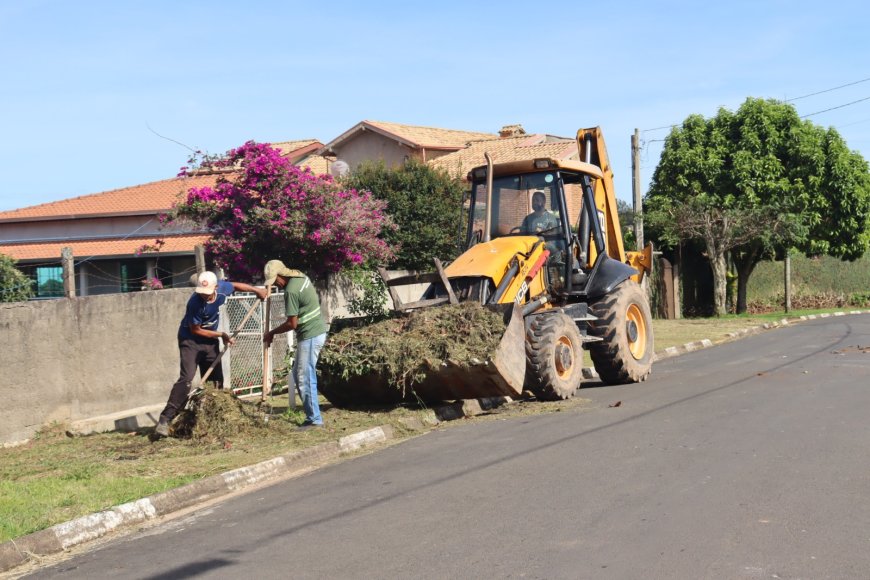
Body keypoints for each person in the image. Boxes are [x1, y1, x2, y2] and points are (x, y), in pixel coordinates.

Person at [155, 271, 266, 437]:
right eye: (202, 293)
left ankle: (214, 418)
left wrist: (257, 290)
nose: (204, 296)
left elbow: (235, 286)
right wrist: (222, 335)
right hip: (190, 341)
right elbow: (196, 329)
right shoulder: (194, 303)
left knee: (216, 381)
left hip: (210, 342)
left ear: (215, 287)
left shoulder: (222, 289)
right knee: (186, 379)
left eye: (207, 293)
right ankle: (166, 418)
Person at [262, 260, 329, 430]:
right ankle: (311, 416)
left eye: (275, 280)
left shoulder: (291, 291)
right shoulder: (300, 276)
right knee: (299, 374)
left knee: (304, 377)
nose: (276, 284)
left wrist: (271, 333)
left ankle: (314, 419)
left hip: (310, 335)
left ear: (282, 274)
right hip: (315, 332)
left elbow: (292, 324)